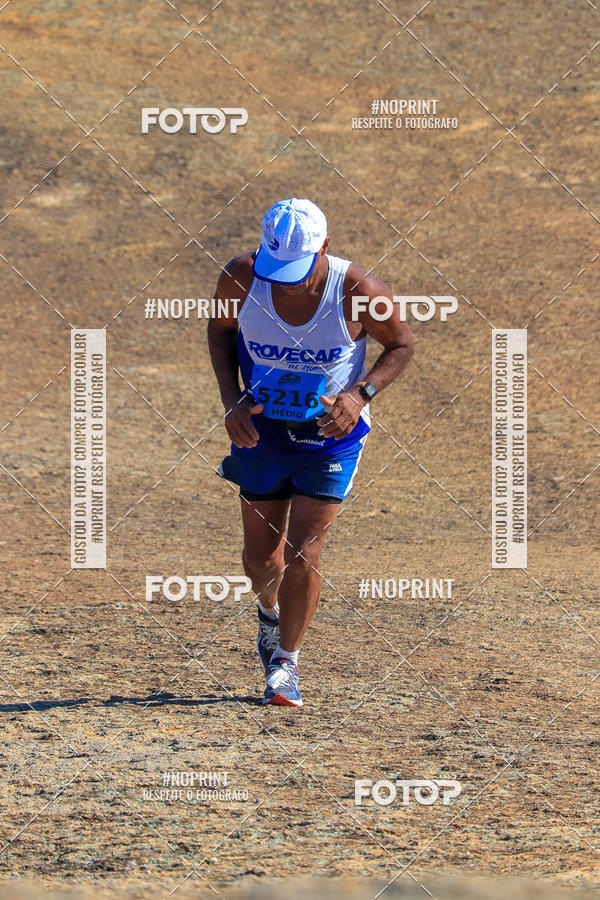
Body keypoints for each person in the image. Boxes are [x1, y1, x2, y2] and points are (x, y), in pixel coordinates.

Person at [208, 198, 414, 707]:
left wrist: (360, 395)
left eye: (294, 272)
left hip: (330, 439)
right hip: (262, 435)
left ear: (325, 247)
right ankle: (268, 614)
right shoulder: (241, 276)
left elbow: (403, 345)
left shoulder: (359, 291)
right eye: (273, 268)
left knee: (305, 548)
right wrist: (231, 399)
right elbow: (219, 333)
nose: (282, 281)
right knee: (261, 557)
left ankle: (286, 663)